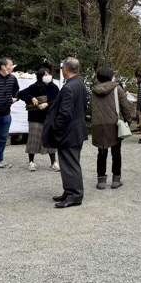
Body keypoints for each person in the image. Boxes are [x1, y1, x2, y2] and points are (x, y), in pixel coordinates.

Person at [43, 57, 88, 208]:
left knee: (70, 163)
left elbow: (65, 113)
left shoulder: (69, 87)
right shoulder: (80, 84)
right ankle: (69, 191)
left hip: (69, 131)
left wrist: (57, 129)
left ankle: (75, 195)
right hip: (77, 129)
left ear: (66, 69)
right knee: (69, 162)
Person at [91, 67, 133, 189]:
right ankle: (116, 179)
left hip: (98, 125)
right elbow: (125, 106)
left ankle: (101, 180)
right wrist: (128, 120)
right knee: (116, 152)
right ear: (111, 76)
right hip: (114, 124)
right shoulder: (117, 88)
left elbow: (91, 109)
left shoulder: (94, 90)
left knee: (101, 152)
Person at [18, 68, 60, 171]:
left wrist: (47, 104)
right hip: (35, 116)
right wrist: (31, 98)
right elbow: (21, 93)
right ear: (40, 76)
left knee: (50, 139)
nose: (47, 76)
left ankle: (53, 162)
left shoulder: (54, 87)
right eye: (45, 74)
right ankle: (31, 162)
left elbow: (58, 100)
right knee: (33, 139)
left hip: (49, 116)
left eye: (49, 74)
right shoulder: (35, 87)